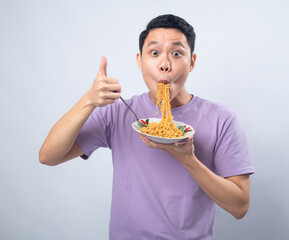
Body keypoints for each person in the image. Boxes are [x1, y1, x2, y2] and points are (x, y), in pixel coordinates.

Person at [39, 14, 255, 239]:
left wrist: (188, 159)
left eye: (177, 53)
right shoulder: (118, 112)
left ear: (192, 62)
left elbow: (240, 207)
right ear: (139, 61)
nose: (164, 64)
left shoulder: (223, 119)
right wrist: (88, 101)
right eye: (154, 53)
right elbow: (48, 156)